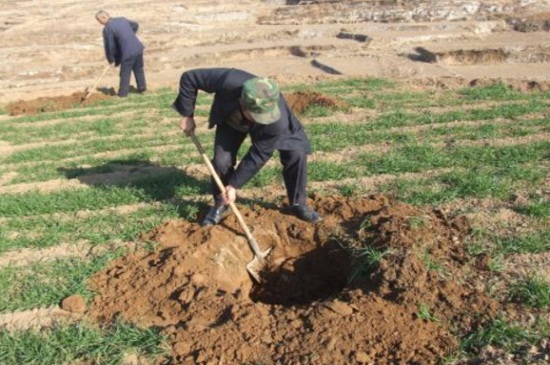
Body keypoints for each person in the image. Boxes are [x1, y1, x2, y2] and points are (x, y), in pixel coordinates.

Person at [172, 67, 322, 226]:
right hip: (232, 119)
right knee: (221, 161)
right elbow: (190, 78)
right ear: (243, 103)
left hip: (273, 127)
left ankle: (298, 203)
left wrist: (234, 185)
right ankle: (221, 203)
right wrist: (187, 115)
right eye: (258, 115)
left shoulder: (276, 120)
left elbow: (259, 154)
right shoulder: (229, 80)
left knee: (296, 153)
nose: (261, 119)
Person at [95, 10, 146, 97]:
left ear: (104, 17)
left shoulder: (107, 28)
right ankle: (142, 89)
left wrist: (111, 59)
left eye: (99, 21)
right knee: (138, 69)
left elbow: (110, 46)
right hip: (138, 48)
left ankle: (122, 94)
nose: (100, 23)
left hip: (128, 52)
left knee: (125, 73)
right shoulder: (122, 19)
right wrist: (129, 36)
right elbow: (135, 25)